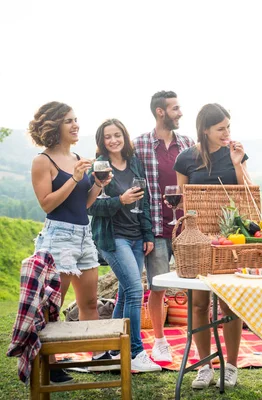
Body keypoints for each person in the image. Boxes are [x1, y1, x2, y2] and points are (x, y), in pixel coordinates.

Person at [28, 101, 105, 383]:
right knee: (52, 306)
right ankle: (52, 363)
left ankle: (97, 356)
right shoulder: (42, 161)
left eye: (76, 119)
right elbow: (48, 205)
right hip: (58, 237)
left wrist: (97, 185)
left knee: (90, 302)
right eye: (69, 121)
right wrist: (74, 178)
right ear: (54, 126)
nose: (76, 125)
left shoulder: (78, 158)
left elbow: (83, 205)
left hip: (84, 236)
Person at [173, 103, 248, 389]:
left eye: (228, 126)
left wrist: (238, 162)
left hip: (230, 237)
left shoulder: (235, 153)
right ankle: (204, 367)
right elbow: (181, 199)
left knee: (231, 303)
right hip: (197, 240)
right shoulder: (185, 159)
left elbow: (245, 195)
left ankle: (231, 366)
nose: (227, 133)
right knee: (198, 304)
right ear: (205, 130)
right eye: (221, 128)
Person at [88, 119, 161, 372]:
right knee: (134, 291)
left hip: (136, 237)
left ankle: (114, 348)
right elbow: (92, 207)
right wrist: (120, 199)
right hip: (112, 237)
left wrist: (148, 234)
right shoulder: (98, 169)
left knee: (123, 293)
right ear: (101, 141)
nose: (113, 140)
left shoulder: (134, 163)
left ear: (124, 136)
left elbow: (146, 200)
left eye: (117, 135)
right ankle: (135, 352)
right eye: (107, 136)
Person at [133, 91, 195, 362]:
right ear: (160, 112)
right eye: (175, 108)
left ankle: (195, 338)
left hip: (186, 230)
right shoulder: (140, 145)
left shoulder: (188, 144)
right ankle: (159, 341)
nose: (180, 113)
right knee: (157, 287)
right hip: (156, 229)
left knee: (194, 287)